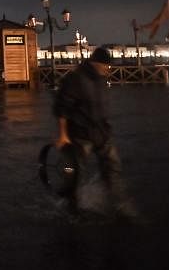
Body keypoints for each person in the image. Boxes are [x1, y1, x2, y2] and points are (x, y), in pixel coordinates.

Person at [53, 47, 136, 217]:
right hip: (81, 134)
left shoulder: (100, 78)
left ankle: (119, 205)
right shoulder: (75, 79)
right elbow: (62, 108)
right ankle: (71, 208)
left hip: (102, 133)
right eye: (105, 66)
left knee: (113, 169)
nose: (108, 70)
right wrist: (63, 135)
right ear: (95, 63)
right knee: (76, 173)